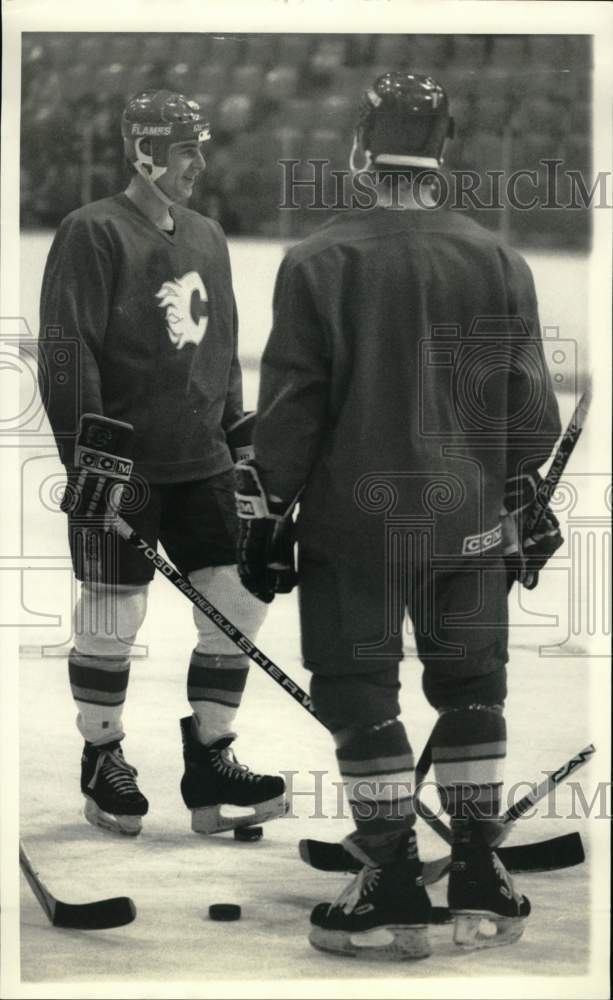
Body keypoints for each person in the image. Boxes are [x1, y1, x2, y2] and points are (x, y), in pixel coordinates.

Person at [235, 72, 563, 959]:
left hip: (355, 526)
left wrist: (266, 513)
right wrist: (506, 492)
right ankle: (478, 873)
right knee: (471, 688)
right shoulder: (499, 260)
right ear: (444, 152)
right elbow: (530, 421)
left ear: (359, 150)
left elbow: (293, 415)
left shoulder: (315, 261)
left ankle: (386, 879)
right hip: (467, 523)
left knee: (359, 691)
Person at [38, 89, 286, 838]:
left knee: (238, 601)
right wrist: (88, 464)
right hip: (124, 467)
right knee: (114, 613)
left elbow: (222, 350)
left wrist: (243, 447)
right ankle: (103, 755)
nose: (198, 164)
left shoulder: (208, 235)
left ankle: (210, 759)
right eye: (186, 150)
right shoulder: (91, 233)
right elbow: (65, 351)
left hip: (201, 463)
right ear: (144, 150)